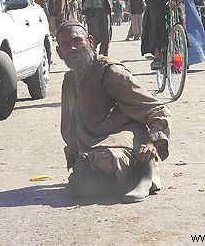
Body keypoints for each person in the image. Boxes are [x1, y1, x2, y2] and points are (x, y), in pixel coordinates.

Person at [56, 19, 171, 203]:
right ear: (59, 51)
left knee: (104, 159)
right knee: (82, 181)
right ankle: (114, 179)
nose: (73, 48)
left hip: (124, 140)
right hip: (92, 148)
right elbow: (69, 129)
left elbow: (157, 109)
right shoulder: (69, 81)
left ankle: (143, 169)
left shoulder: (110, 72)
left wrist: (151, 143)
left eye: (78, 41)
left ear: (90, 41)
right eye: (66, 45)